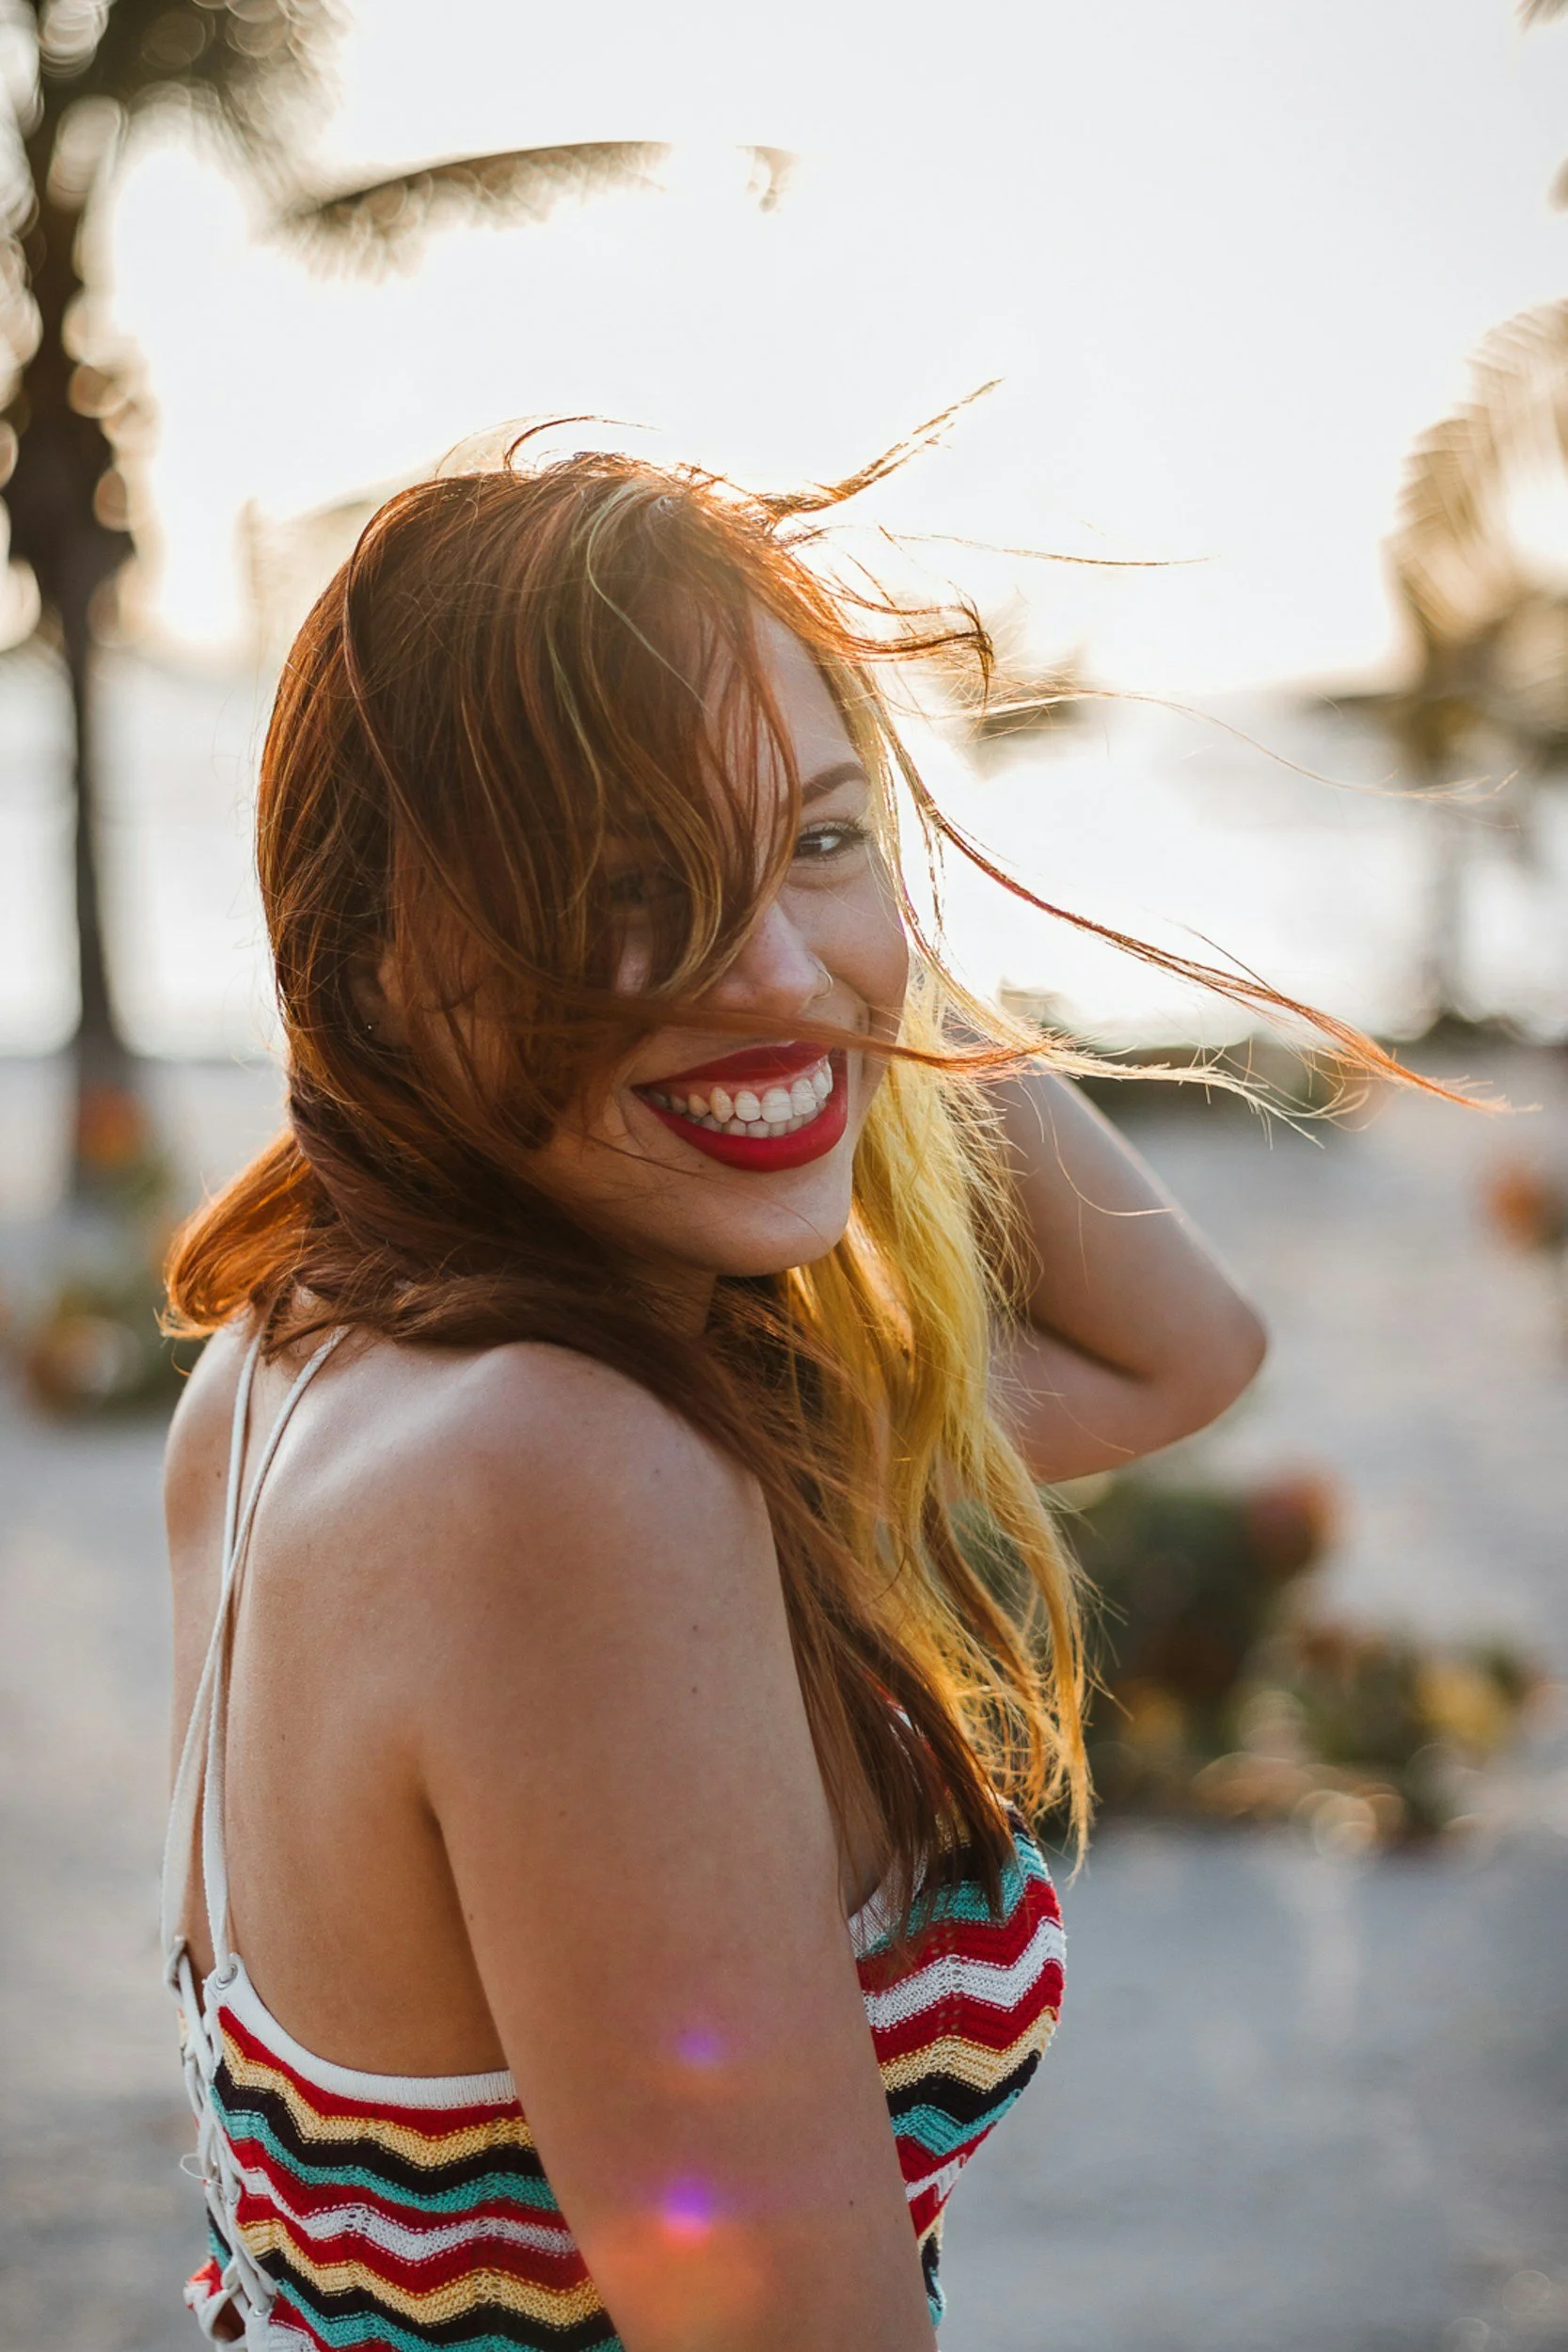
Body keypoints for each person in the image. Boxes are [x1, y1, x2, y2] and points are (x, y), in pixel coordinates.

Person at [159, 438, 1271, 2352]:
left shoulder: (294, 1361)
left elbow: (1179, 1345)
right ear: (365, 957)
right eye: (625, 881)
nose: (754, 962)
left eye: (822, 836)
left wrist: (848, 979)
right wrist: (808, 944)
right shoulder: (561, 1476)